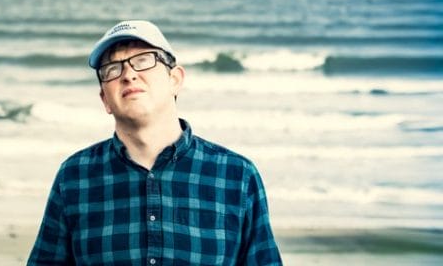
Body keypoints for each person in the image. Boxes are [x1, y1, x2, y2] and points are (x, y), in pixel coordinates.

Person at [27, 20, 282, 265]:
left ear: (175, 80)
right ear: (105, 98)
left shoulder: (236, 176)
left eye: (143, 60)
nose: (128, 74)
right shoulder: (74, 176)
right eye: (112, 69)